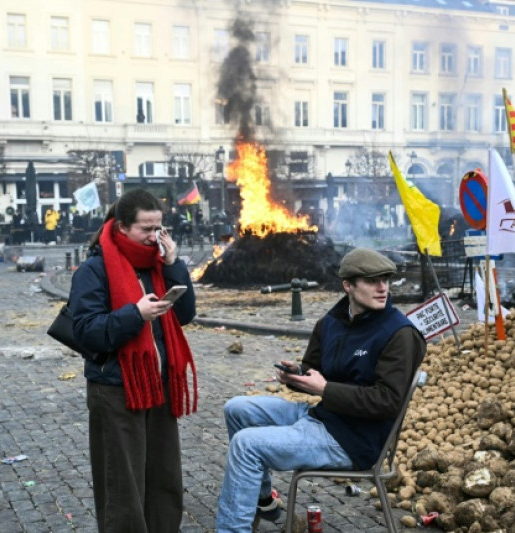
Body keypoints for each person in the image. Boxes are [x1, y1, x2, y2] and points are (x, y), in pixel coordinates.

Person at [215, 247, 426, 532]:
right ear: (348, 285)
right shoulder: (331, 323)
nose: (383, 288)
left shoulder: (399, 333)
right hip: (322, 416)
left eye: (386, 280)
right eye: (372, 281)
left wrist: (325, 389)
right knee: (237, 409)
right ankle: (264, 502)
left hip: (354, 439)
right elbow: (314, 370)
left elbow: (387, 402)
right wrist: (296, 376)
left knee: (246, 444)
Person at [70, 188, 198, 533]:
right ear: (122, 227)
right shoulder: (94, 269)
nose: (154, 237)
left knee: (163, 478)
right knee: (123, 488)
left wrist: (174, 266)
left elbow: (185, 315)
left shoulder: (157, 264)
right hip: (115, 389)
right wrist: (135, 314)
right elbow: (85, 331)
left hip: (158, 386)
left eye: (159, 228)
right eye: (146, 229)